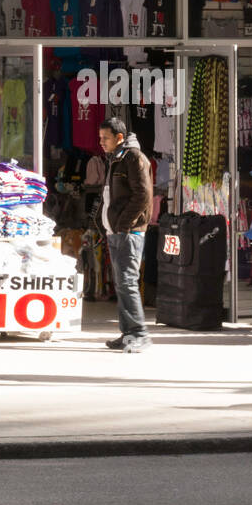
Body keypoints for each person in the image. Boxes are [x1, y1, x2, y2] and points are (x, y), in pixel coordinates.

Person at [99, 117, 154, 352]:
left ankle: (139, 333)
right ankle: (128, 332)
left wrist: (123, 224)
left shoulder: (133, 157)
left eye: (105, 138)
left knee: (128, 282)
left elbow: (143, 195)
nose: (101, 142)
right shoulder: (117, 158)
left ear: (119, 138)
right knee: (122, 284)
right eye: (100, 138)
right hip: (117, 231)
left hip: (128, 232)